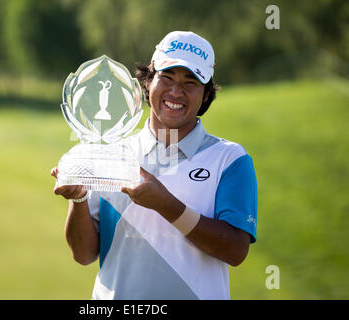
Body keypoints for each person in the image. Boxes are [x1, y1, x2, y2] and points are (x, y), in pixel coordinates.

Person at [51, 31, 257, 300]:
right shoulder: (113, 153)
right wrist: (77, 200)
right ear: (148, 82)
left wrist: (164, 204)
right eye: (167, 77)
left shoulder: (229, 159)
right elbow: (83, 254)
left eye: (190, 82)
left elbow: (235, 251)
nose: (175, 91)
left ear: (206, 94)